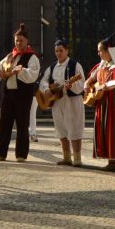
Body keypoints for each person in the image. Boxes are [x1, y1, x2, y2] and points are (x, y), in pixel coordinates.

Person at [0, 23, 40, 162]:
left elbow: (34, 75)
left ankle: (21, 154)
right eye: (16, 40)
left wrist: (22, 71)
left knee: (22, 124)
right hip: (9, 94)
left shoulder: (32, 57)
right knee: (5, 123)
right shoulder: (9, 56)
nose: (18, 43)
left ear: (27, 41)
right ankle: (1, 153)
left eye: (21, 40)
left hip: (23, 95)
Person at [84, 38, 115, 173]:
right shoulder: (101, 66)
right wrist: (87, 84)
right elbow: (91, 78)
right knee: (106, 130)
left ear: (109, 51)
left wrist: (108, 86)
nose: (99, 54)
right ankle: (111, 161)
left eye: (101, 51)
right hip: (103, 103)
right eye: (98, 51)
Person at [38, 38, 85, 166]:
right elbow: (43, 81)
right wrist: (47, 89)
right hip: (57, 101)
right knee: (60, 128)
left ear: (67, 51)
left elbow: (82, 84)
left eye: (61, 50)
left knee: (75, 128)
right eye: (56, 51)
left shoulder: (75, 65)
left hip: (72, 100)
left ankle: (77, 158)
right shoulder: (52, 67)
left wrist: (72, 86)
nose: (58, 53)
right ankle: (66, 157)